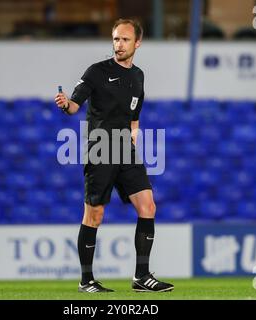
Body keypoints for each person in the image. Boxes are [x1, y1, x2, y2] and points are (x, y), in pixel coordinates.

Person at [54, 18, 174, 293]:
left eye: (125, 40)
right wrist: (65, 105)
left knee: (148, 206)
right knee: (94, 215)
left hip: (125, 149)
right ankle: (87, 280)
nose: (118, 44)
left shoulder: (138, 76)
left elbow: (135, 112)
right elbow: (75, 106)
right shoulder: (97, 71)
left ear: (137, 43)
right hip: (101, 147)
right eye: (116, 39)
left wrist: (134, 133)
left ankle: (141, 277)